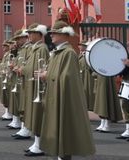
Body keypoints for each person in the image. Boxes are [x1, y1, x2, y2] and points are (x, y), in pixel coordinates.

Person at [39, 20, 95, 160]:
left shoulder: (68, 53)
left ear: (64, 34)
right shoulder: (58, 52)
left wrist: (47, 75)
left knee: (64, 129)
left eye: (55, 33)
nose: (51, 36)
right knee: (57, 128)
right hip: (55, 95)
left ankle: (63, 155)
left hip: (63, 98)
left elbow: (67, 78)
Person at [18, 23, 49, 156]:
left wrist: (22, 70)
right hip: (32, 86)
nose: (29, 35)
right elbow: (30, 66)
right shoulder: (35, 48)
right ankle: (36, 143)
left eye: (31, 33)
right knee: (34, 115)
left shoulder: (41, 49)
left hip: (38, 88)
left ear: (39, 34)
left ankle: (39, 145)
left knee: (38, 116)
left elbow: (38, 67)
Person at [8, 31, 29, 131]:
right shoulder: (21, 50)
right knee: (18, 102)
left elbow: (28, 64)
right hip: (18, 78)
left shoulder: (29, 48)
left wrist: (20, 68)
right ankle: (20, 124)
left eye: (18, 39)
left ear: (25, 38)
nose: (16, 41)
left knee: (23, 104)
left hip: (24, 79)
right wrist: (14, 66)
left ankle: (25, 128)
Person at [78, 41, 95, 112]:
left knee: (89, 90)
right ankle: (85, 105)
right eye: (79, 45)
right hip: (82, 75)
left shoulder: (87, 54)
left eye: (81, 45)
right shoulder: (80, 54)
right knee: (84, 91)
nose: (80, 46)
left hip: (88, 75)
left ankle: (90, 106)